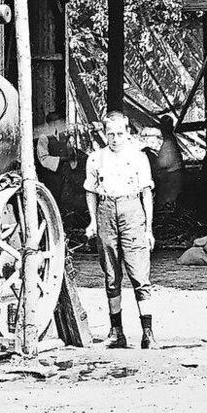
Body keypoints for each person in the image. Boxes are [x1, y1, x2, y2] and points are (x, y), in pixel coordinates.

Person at [84, 111, 157, 349]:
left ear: (128, 134)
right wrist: (93, 221)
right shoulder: (95, 159)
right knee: (112, 277)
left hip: (132, 211)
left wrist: (148, 229)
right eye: (110, 134)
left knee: (139, 276)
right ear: (104, 134)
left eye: (119, 133)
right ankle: (117, 333)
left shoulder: (138, 158)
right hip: (106, 211)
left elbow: (147, 193)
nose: (115, 138)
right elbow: (91, 192)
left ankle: (148, 333)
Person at [140, 114, 184, 213]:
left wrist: (150, 155)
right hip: (172, 176)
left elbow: (163, 163)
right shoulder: (169, 140)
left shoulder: (169, 142)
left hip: (172, 179)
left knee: (166, 205)